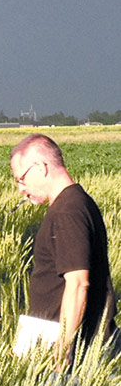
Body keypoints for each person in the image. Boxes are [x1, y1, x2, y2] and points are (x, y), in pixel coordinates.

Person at [10, 133, 118, 368]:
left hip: (78, 352)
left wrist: (62, 347)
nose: (21, 189)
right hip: (74, 344)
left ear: (40, 167)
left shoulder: (67, 212)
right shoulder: (76, 202)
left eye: (21, 179)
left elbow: (78, 283)